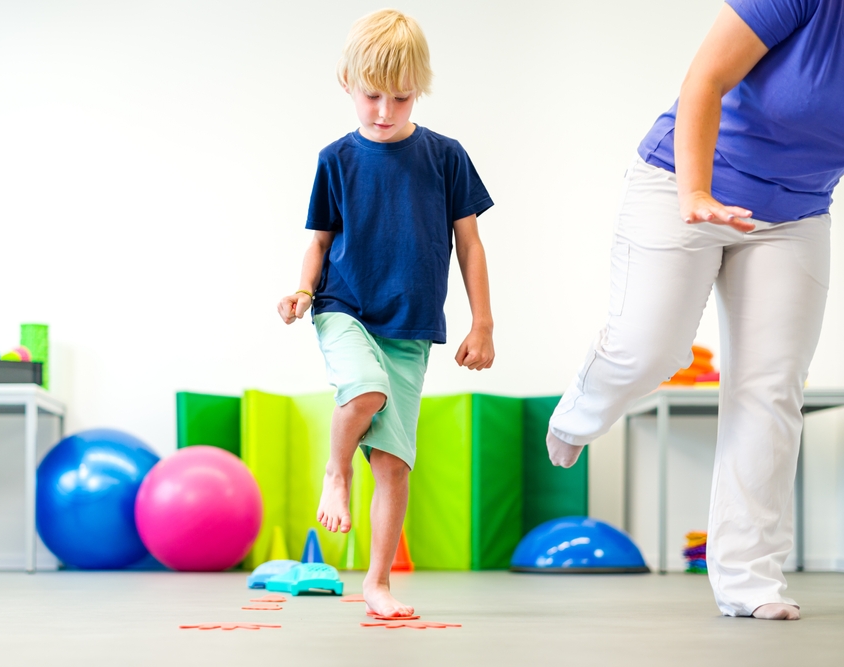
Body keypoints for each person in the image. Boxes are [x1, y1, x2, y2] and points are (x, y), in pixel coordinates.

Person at [546, 0, 844, 621]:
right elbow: (703, 79)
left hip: (798, 212)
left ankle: (750, 581)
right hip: (684, 177)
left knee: (771, 386)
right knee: (647, 351)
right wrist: (696, 192)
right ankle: (579, 412)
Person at [277, 9, 495, 618]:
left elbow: (470, 243)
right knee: (365, 391)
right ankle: (337, 471)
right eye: (372, 95)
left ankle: (377, 584)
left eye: (400, 98)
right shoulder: (336, 160)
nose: (384, 111)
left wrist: (483, 323)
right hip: (344, 307)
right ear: (346, 82)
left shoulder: (445, 157)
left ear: (418, 89)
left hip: (410, 325)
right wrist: (301, 291)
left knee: (396, 465)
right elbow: (319, 242)